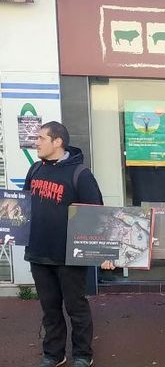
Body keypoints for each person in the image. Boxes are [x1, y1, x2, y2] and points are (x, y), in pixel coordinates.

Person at [23, 122, 104, 367]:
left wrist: (103, 252)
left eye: (40, 138)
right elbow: (24, 207)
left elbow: (97, 214)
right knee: (50, 309)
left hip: (70, 256)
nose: (36, 142)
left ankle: (82, 355)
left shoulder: (80, 174)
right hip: (38, 254)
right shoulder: (35, 170)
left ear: (57, 141)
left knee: (76, 308)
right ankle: (54, 354)